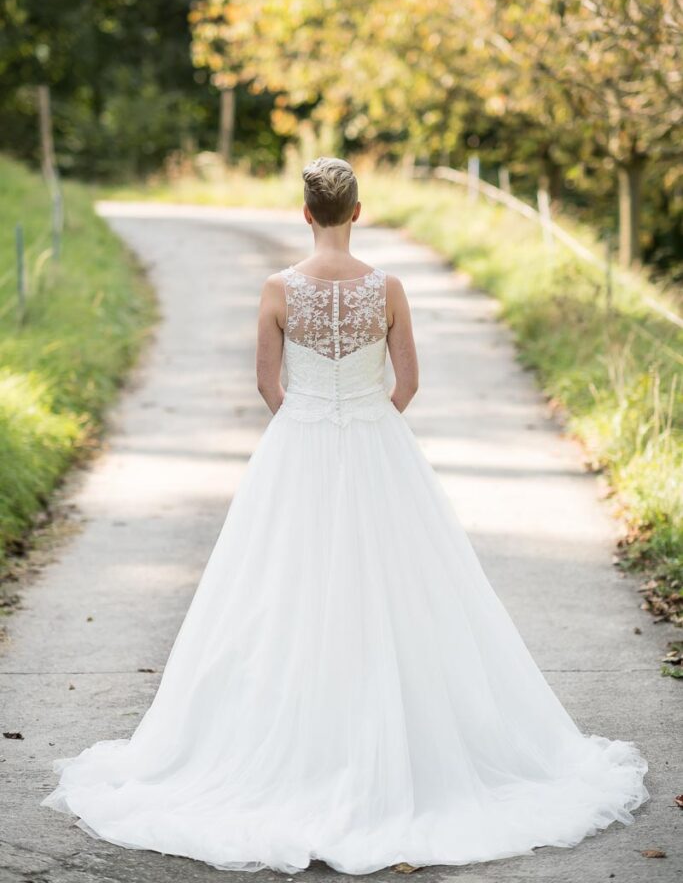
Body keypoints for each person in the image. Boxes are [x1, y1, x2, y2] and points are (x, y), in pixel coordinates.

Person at [41, 156, 649, 875]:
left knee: (279, 595)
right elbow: (409, 381)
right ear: (356, 212)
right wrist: (366, 422)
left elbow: (267, 384)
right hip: (376, 445)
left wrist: (307, 425)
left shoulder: (277, 289)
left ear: (306, 214)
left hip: (295, 449)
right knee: (402, 594)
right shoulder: (386, 288)